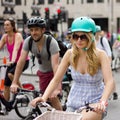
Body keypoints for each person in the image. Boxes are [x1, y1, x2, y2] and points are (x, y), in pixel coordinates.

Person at [30, 16, 115, 120]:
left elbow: (110, 82)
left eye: (83, 36)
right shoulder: (70, 54)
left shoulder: (101, 55)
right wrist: (44, 97)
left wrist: (103, 101)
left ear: (91, 36)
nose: (78, 40)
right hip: (74, 101)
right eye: (75, 36)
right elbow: (56, 79)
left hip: (95, 101)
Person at [10, 16, 62, 110]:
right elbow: (21, 61)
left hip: (54, 74)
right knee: (45, 101)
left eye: (37, 29)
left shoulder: (51, 42)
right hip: (42, 74)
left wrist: (57, 88)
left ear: (43, 30)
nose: (34, 33)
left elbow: (56, 66)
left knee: (53, 98)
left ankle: (62, 116)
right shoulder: (28, 41)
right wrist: (14, 82)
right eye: (31, 30)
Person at [0, 18, 29, 101]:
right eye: (4, 25)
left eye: (7, 25)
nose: (5, 26)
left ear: (12, 26)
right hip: (12, 63)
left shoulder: (18, 36)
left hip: (22, 61)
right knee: (6, 85)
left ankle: (22, 92)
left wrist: (12, 61)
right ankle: (6, 106)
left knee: (10, 74)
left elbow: (15, 49)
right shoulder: (5, 37)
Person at [95, 25, 118, 100]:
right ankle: (101, 93)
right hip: (96, 62)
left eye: (97, 32)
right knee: (98, 77)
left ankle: (114, 92)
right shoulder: (92, 41)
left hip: (106, 61)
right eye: (94, 32)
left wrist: (108, 63)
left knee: (108, 77)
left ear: (99, 32)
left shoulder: (103, 40)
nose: (95, 34)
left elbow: (108, 52)